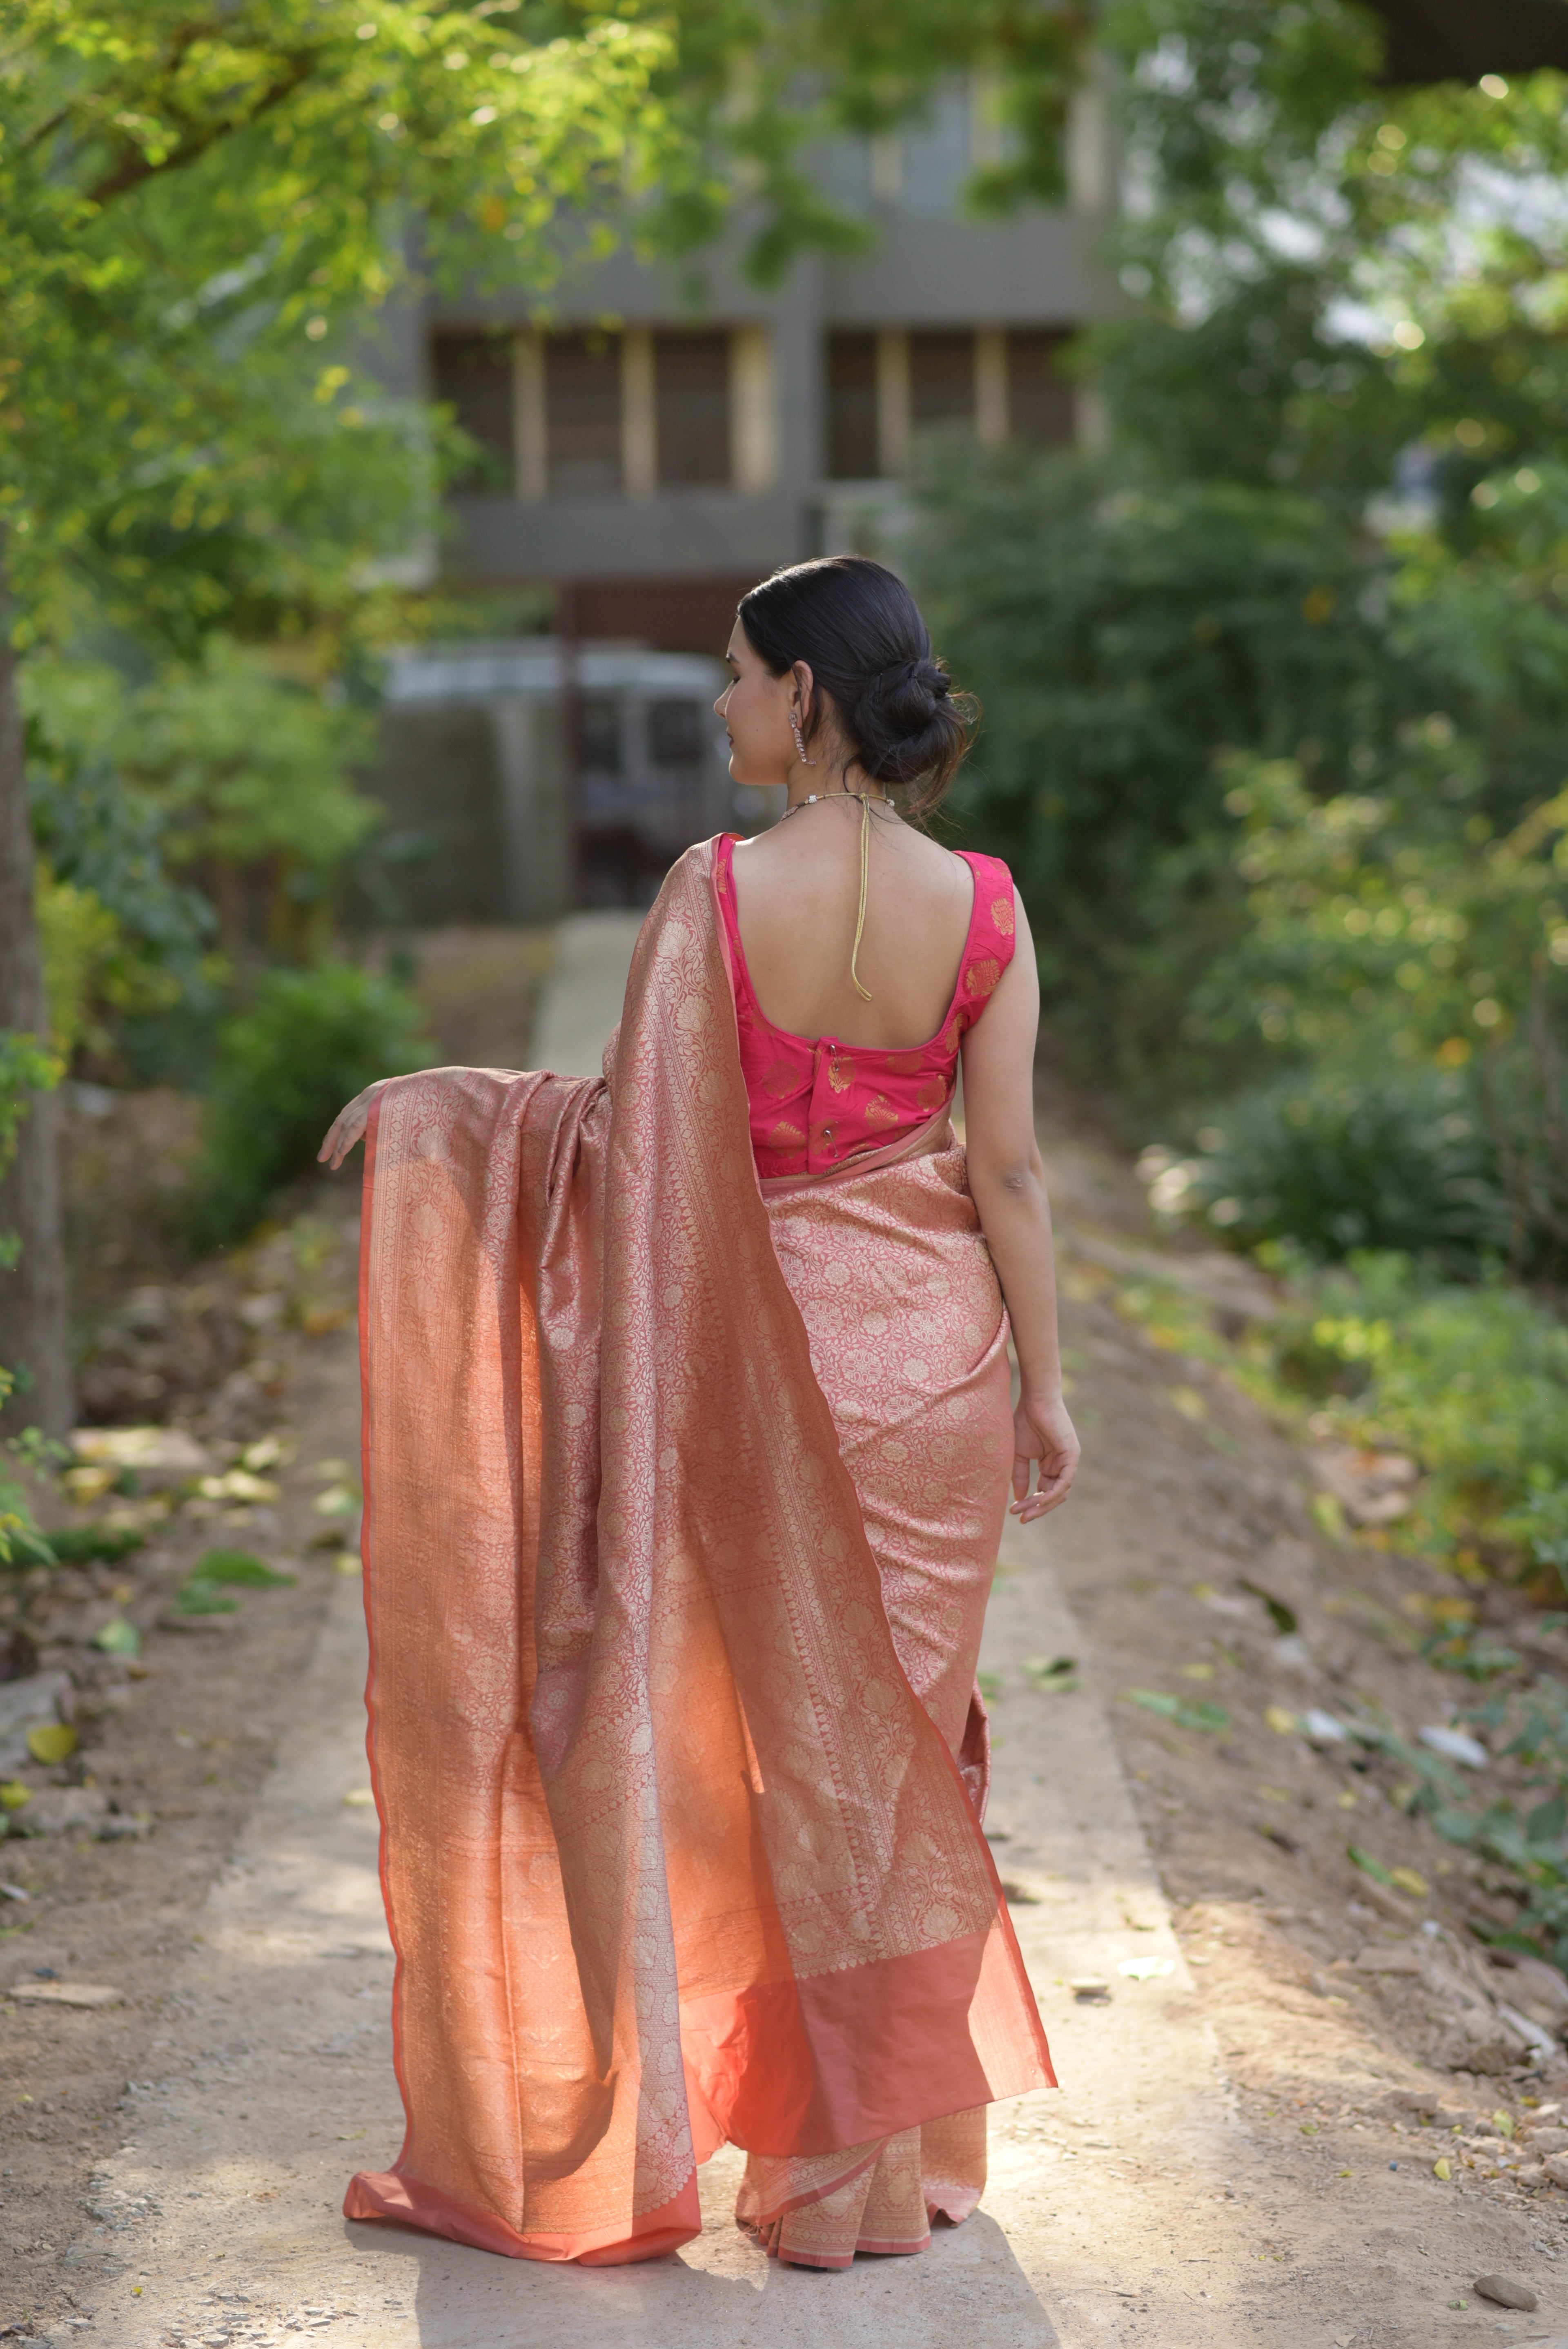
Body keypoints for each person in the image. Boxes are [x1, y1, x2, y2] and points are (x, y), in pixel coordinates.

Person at [317, 553, 1079, 2273]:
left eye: (738, 673)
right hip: (937, 1375)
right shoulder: (991, 905)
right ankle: (861, 2175)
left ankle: (769, 2141)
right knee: (892, 1759)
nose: (720, 701)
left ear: (806, 694)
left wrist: (448, 1116)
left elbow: (626, 1139)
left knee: (754, 1759)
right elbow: (1012, 1172)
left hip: (759, 1372)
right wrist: (1048, 1387)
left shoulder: (716, 891)